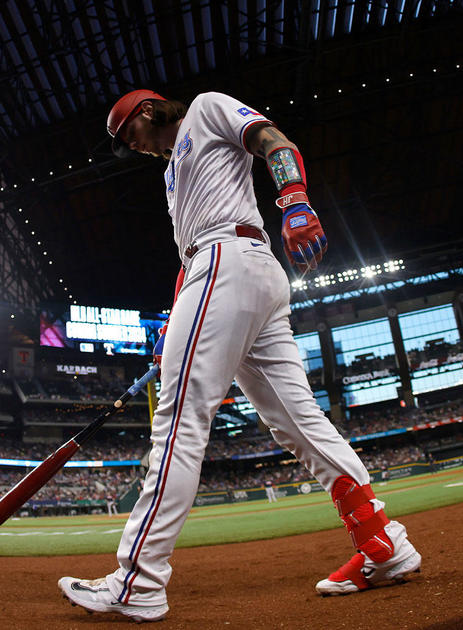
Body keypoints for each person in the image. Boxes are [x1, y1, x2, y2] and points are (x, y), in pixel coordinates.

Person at [58, 90, 421, 622]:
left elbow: (274, 140)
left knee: (179, 423)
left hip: (230, 261)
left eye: (126, 135)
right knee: (299, 423)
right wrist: (175, 324)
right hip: (227, 273)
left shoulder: (204, 108)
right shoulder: (169, 176)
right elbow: (189, 250)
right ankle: (382, 544)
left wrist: (295, 199)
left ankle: (138, 581)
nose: (131, 147)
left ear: (144, 110)